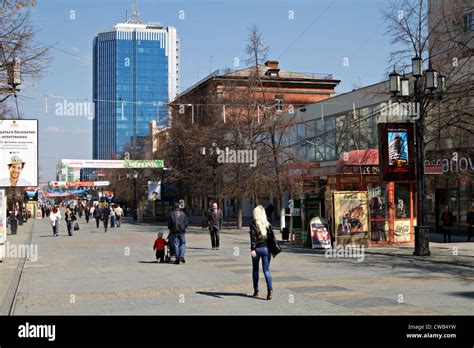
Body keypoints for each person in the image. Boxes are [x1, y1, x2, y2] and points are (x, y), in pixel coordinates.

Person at [249, 205, 275, 300]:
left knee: (255, 270)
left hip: (256, 250)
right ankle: (270, 290)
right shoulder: (267, 223)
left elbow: (253, 238)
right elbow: (271, 238)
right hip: (266, 250)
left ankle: (256, 291)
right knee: (266, 270)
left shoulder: (253, 224)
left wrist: (252, 249)